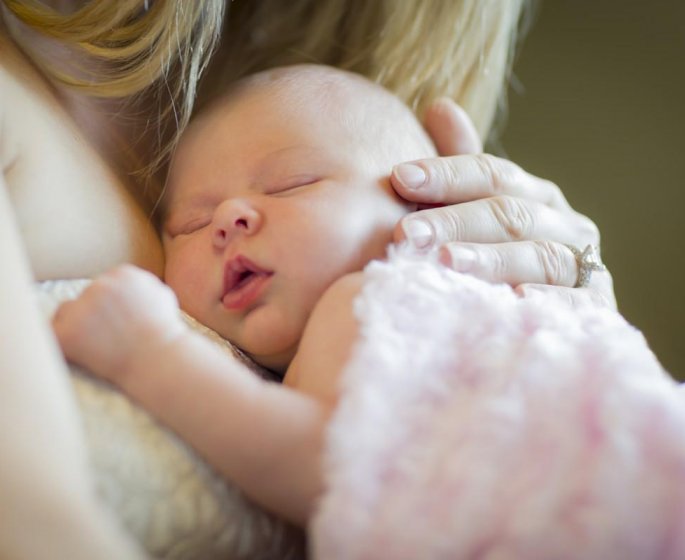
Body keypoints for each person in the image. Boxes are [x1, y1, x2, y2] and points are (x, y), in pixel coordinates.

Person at [0, 0, 614, 557]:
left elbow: (334, 465)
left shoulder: (371, 296)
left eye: (294, 184)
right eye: (186, 225)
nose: (225, 219)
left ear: (423, 210)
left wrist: (584, 318)